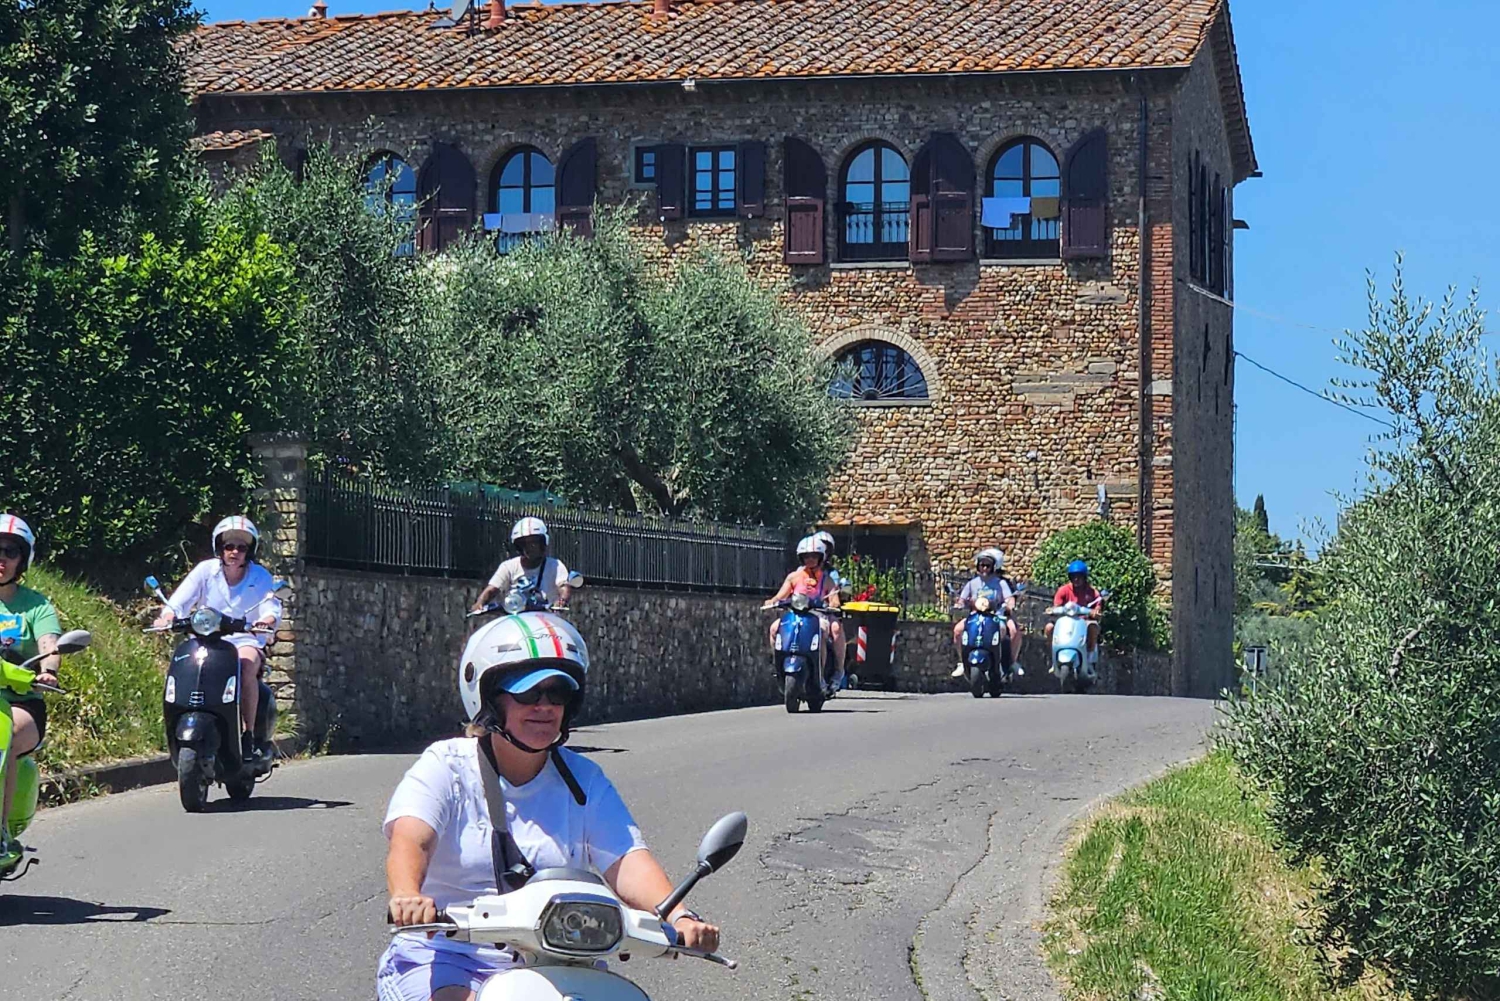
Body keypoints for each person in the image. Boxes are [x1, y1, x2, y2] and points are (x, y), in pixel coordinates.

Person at [379, 611, 721, 1001]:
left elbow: (626, 858)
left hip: (562, 964)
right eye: (527, 693)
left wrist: (680, 917)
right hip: (448, 957)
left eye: (557, 693)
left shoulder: (583, 779)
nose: (544, 706)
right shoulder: (447, 766)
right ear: (490, 700)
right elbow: (412, 839)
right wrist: (407, 895)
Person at [152, 516, 282, 764]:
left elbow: (270, 606)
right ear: (219, 548)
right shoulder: (205, 571)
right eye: (229, 546)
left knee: (245, 665)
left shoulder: (260, 576)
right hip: (206, 639)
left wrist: (266, 621)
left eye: (241, 547)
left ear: (249, 551)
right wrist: (167, 616)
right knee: (187, 662)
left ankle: (248, 735)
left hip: (244, 639)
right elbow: (179, 601)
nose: (234, 552)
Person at [0, 514, 58, 857]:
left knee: (3, 736)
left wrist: (48, 670)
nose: (1, 559)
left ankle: (1, 832)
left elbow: (50, 646)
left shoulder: (36, 606)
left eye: (10, 552)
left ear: (22, 561)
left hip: (20, 702)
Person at [763, 536, 845, 689]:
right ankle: (778, 664)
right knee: (774, 628)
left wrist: (832, 605)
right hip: (795, 615)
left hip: (818, 615)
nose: (810, 559)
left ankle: (832, 672)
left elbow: (834, 599)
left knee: (830, 630)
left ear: (821, 557)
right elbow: (780, 596)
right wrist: (772, 601)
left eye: (814, 556)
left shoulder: (827, 579)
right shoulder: (794, 577)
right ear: (801, 558)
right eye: (806, 556)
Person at [472, 517, 571, 614]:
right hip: (516, 618)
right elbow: (492, 589)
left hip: (547, 618)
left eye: (535, 542)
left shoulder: (555, 566)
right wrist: (479, 603)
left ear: (543, 543)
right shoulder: (508, 567)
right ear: (518, 547)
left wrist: (561, 601)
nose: (530, 547)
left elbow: (563, 587)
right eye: (524, 544)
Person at [951, 548, 1023, 679]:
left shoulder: (1000, 583)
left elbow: (1009, 598)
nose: (984, 568)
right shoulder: (972, 584)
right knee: (958, 630)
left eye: (987, 566)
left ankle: (1012, 662)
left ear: (993, 567)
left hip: (997, 616)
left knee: (1013, 630)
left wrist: (1010, 605)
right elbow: (962, 599)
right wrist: (959, 604)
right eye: (982, 565)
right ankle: (962, 662)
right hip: (975, 616)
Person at [811, 530, 849, 688]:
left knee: (836, 629)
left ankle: (839, 671)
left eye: (825, 549)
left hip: (824, 612)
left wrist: (832, 604)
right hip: (805, 612)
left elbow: (834, 595)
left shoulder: (831, 574)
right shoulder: (800, 573)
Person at [1045, 559, 1103, 654]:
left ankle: (1090, 653)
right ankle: (1054, 652)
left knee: (1093, 626)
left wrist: (1095, 612)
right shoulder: (1063, 590)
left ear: (1084, 577)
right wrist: (1053, 610)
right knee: (1049, 627)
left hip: (1084, 622)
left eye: (1079, 576)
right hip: (1065, 622)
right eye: (1074, 576)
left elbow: (1098, 606)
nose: (1076, 579)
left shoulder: (1092, 592)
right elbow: (1056, 606)